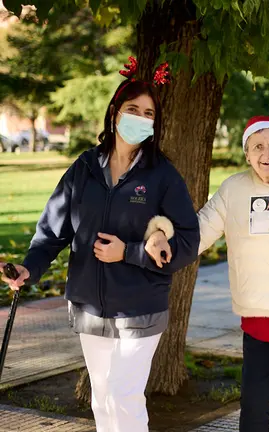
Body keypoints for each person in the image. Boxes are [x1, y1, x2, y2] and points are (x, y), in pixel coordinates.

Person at [0, 61, 200, 432]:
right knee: (102, 397)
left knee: (124, 396)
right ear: (114, 113)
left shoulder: (162, 176)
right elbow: (53, 229)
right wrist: (31, 266)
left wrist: (130, 252)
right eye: (132, 110)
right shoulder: (85, 168)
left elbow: (188, 241)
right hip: (91, 305)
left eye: (148, 113)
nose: (140, 118)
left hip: (140, 308)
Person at [145, 116, 269, 432]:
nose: (267, 154)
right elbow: (197, 231)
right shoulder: (233, 190)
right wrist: (161, 236)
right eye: (258, 147)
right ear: (247, 154)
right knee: (254, 403)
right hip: (259, 318)